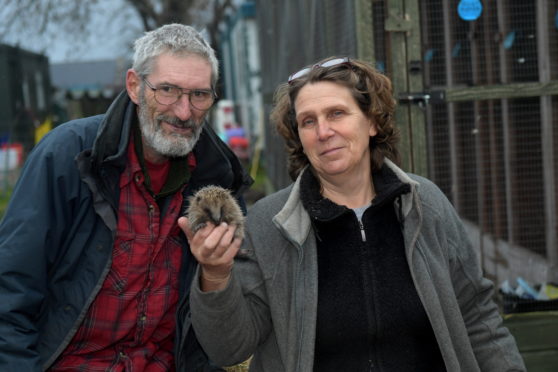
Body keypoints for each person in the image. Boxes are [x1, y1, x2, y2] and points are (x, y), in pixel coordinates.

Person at [184, 56, 526, 371]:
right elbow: (229, 348)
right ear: (299, 137)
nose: (323, 132)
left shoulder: (425, 205)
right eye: (308, 121)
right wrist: (215, 275)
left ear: (372, 122)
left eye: (336, 113)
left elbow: (478, 317)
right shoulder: (270, 223)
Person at [0, 24, 251, 371]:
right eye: (167, 90)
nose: (183, 111)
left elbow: (228, 329)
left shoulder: (217, 177)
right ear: (134, 85)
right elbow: (10, 292)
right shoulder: (69, 156)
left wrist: (216, 273)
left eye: (199, 95)